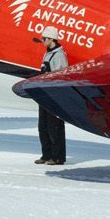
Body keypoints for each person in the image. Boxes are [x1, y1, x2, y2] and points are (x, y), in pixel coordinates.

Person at [35, 26, 68, 166]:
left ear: (51, 39)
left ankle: (57, 157)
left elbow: (61, 77)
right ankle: (46, 154)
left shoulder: (59, 55)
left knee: (54, 127)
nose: (42, 41)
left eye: (44, 38)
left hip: (54, 96)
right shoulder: (47, 53)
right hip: (45, 95)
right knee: (43, 126)